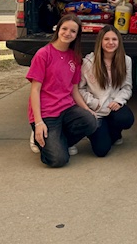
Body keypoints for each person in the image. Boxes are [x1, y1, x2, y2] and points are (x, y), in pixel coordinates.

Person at [26, 14, 97, 168]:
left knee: (91, 122)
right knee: (58, 160)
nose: (67, 33)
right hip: (46, 112)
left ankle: (58, 140)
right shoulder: (43, 54)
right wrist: (38, 122)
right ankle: (40, 137)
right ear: (58, 30)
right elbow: (35, 90)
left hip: (66, 108)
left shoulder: (75, 57)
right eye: (64, 29)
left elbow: (74, 91)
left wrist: (87, 110)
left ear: (77, 35)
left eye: (73, 31)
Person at [79, 25, 135, 157]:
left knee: (126, 118)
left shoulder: (126, 60)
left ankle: (114, 133)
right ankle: (97, 132)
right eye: (106, 39)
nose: (110, 42)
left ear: (119, 42)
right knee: (101, 150)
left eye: (114, 39)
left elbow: (127, 87)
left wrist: (119, 101)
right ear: (100, 42)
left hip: (112, 107)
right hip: (96, 110)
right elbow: (79, 88)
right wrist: (92, 102)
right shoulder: (88, 62)